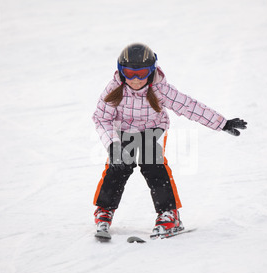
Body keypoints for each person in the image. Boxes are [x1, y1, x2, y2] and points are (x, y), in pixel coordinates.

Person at [92, 43, 247, 239]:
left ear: (152, 71)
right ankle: (104, 210)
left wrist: (222, 123)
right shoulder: (114, 89)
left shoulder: (159, 88)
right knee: (119, 166)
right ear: (121, 72)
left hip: (152, 129)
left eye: (142, 73)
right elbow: (101, 118)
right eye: (130, 73)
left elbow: (189, 106)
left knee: (153, 164)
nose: (136, 79)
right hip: (123, 130)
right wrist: (113, 144)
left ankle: (169, 214)